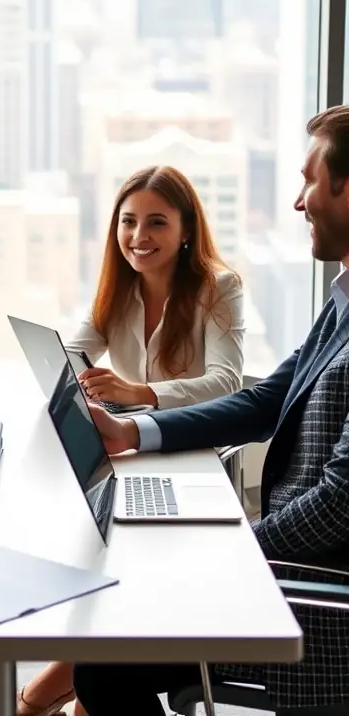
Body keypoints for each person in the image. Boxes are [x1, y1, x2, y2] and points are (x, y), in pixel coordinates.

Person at [71, 105, 349, 715]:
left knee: (105, 660)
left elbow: (338, 504)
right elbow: (263, 401)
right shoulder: (343, 302)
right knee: (113, 604)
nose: (299, 202)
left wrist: (228, 552)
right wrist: (133, 433)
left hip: (309, 601)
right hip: (277, 571)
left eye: (308, 180)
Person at [18, 165, 244, 716]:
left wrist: (138, 390)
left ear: (186, 230)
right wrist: (79, 380)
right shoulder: (119, 288)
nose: (138, 236)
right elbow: (73, 351)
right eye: (128, 222)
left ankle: (58, 683)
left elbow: (228, 381)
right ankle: (71, 687)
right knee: (85, 535)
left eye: (156, 223)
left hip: (192, 462)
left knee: (110, 549)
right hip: (133, 452)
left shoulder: (219, 286)